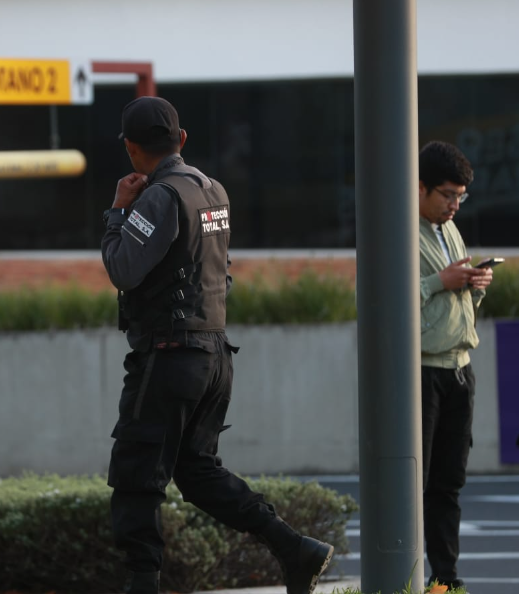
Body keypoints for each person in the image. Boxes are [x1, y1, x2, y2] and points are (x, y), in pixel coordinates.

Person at [100, 96, 333, 594]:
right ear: (181, 140)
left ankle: (143, 585)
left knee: (136, 475)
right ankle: (294, 548)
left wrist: (118, 212)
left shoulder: (159, 198)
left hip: (168, 356)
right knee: (198, 472)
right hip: (213, 356)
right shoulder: (212, 189)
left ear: (130, 148)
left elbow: (122, 268)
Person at [418, 140, 494, 590]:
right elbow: (387, 299)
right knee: (419, 481)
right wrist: (440, 280)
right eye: (447, 194)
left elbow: (452, 298)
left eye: (460, 197)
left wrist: (474, 282)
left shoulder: (449, 230)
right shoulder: (399, 229)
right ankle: (412, 573)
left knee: (449, 481)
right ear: (421, 187)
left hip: (461, 367)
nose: (454, 204)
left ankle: (445, 579)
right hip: (424, 370)